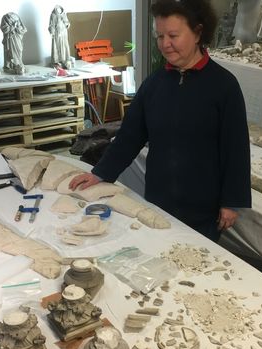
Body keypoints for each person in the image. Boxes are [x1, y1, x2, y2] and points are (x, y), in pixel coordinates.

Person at [69, 0, 251, 241]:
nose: (165, 44)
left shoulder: (224, 86)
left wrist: (231, 202)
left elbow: (236, 148)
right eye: (160, 36)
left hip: (203, 207)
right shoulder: (154, 85)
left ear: (197, 33)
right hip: (159, 198)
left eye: (173, 35)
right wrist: (99, 173)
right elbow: (129, 137)